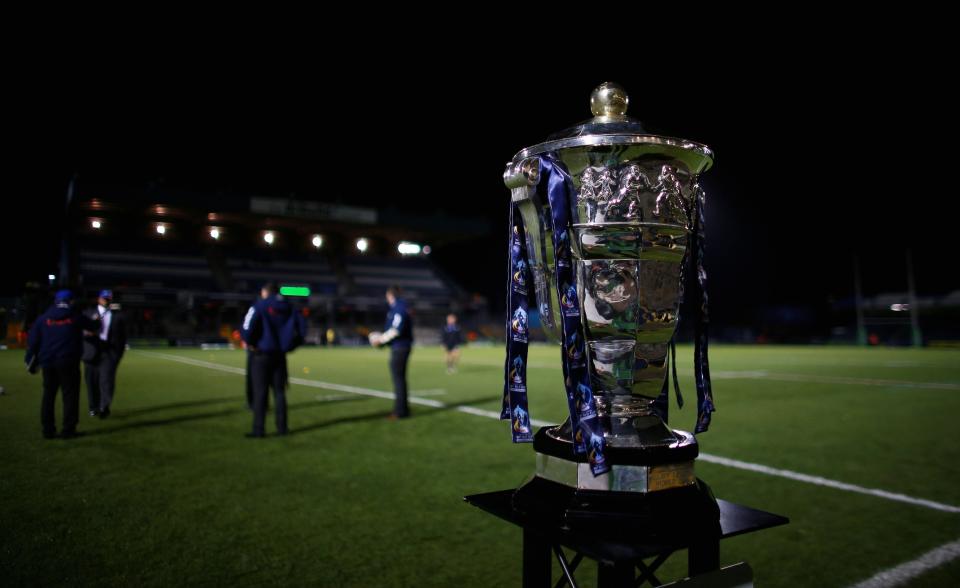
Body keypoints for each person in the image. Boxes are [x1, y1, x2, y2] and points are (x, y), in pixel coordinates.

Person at [25, 290, 100, 439]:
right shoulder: (75, 316)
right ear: (71, 301)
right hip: (69, 362)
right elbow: (92, 326)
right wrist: (98, 320)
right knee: (70, 396)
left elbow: (32, 342)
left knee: (48, 396)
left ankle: (48, 430)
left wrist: (30, 360)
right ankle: (68, 430)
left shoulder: (43, 318)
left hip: (48, 362)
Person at [241, 282, 305, 438]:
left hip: (261, 355)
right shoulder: (289, 306)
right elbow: (303, 329)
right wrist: (291, 346)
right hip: (280, 355)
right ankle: (282, 428)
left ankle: (259, 429)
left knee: (260, 393)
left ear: (264, 292)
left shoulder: (259, 305)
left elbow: (247, 328)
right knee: (279, 393)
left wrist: (251, 343)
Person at [82, 289, 127, 418]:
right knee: (91, 383)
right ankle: (93, 407)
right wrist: (86, 334)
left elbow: (123, 337)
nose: (106, 300)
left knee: (107, 381)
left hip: (109, 353)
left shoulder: (118, 316)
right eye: (104, 298)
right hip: (91, 353)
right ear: (99, 299)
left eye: (108, 299)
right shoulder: (88, 313)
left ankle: (104, 406)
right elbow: (79, 331)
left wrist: (118, 355)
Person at [370, 286, 413, 419]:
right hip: (400, 346)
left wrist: (380, 340)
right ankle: (403, 410)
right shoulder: (400, 307)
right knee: (400, 379)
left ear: (390, 295)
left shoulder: (399, 308)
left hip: (400, 347)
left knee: (398, 380)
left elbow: (396, 330)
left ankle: (400, 412)